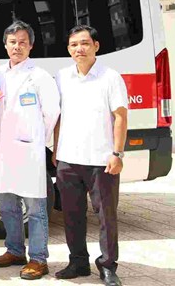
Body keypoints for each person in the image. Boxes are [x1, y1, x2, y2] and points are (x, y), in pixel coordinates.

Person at [53, 25, 128, 286]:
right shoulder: (62, 77)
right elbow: (58, 116)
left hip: (101, 161)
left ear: (96, 46)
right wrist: (56, 150)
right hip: (68, 159)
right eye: (74, 45)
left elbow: (120, 117)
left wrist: (117, 153)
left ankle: (108, 266)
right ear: (68, 49)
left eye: (84, 43)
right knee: (72, 214)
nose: (79, 49)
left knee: (106, 215)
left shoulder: (110, 77)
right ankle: (78, 262)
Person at [0, 20, 60, 280]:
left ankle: (39, 259)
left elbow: (51, 112)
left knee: (35, 208)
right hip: (5, 150)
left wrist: (33, 136)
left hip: (29, 151)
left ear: (31, 45)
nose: (17, 46)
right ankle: (15, 250)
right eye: (12, 42)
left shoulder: (40, 76)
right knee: (7, 204)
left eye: (22, 42)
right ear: (5, 45)